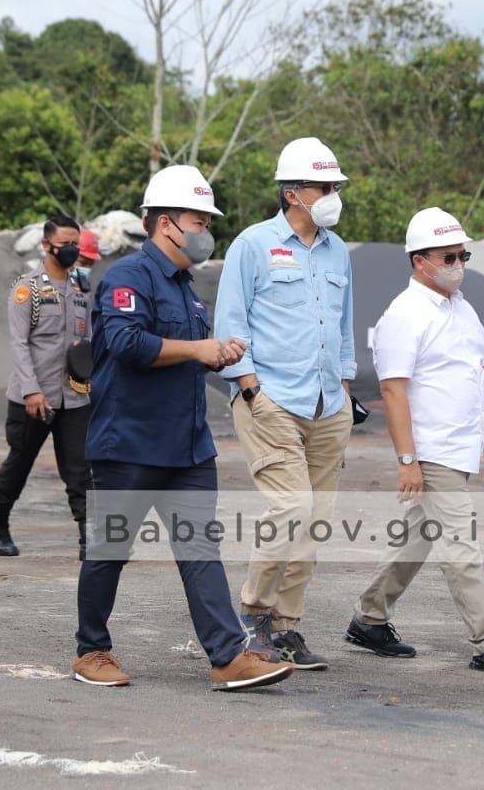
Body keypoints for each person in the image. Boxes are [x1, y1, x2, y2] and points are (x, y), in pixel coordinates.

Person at [72, 164, 294, 692]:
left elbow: (186, 356)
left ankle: (227, 656)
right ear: (166, 223)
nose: (205, 229)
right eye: (199, 220)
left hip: (187, 447)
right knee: (110, 551)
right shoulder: (128, 277)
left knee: (200, 551)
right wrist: (198, 349)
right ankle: (91, 650)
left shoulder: (188, 290)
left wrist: (218, 355)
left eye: (207, 220)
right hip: (129, 445)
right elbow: (126, 344)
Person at [346, 207, 484, 674]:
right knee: (461, 547)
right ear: (420, 261)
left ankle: (369, 619)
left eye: (463, 255)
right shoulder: (405, 315)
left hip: (460, 448)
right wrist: (408, 460)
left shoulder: (463, 309)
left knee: (416, 537)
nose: (459, 264)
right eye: (449, 257)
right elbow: (393, 391)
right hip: (431, 449)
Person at [215, 137, 355, 669]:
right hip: (271, 399)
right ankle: (253, 616)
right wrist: (251, 387)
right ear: (292, 192)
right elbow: (231, 321)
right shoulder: (253, 244)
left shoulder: (337, 250)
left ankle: (286, 625)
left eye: (335, 186)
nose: (332, 195)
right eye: (323, 186)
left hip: (327, 404)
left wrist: (344, 388)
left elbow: (343, 324)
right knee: (291, 508)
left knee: (316, 520)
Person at [0, 213, 93, 559]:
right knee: (19, 463)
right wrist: (32, 390)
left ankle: (90, 537)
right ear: (46, 244)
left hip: (74, 396)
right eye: (64, 243)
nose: (71, 249)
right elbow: (19, 343)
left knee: (80, 469)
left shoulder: (82, 288)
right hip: (32, 398)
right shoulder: (27, 288)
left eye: (75, 243)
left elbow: (88, 338)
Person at [72, 228, 101, 293]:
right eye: (82, 263)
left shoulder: (85, 287)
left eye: (91, 265)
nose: (87, 269)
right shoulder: (51, 285)